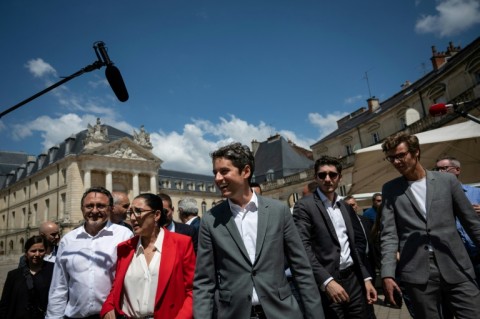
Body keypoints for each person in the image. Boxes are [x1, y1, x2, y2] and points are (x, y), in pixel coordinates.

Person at [194, 142, 324, 319]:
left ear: (245, 171)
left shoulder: (279, 211)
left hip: (281, 312)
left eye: (224, 171)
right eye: (215, 173)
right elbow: (204, 282)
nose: (217, 178)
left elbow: (301, 268)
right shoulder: (210, 220)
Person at [380, 132, 480, 318]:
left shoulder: (447, 181)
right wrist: (387, 273)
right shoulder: (390, 189)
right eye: (391, 158)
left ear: (416, 152)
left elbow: (472, 223)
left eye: (401, 155)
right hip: (417, 273)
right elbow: (389, 235)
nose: (396, 162)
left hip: (456, 264)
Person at [293, 156, 377, 318]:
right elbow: (302, 247)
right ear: (315, 177)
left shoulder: (345, 206)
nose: (327, 179)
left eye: (332, 175)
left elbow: (353, 245)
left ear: (340, 177)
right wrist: (326, 281)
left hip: (354, 278)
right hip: (328, 281)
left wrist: (366, 277)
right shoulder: (304, 206)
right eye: (322, 175)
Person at [101, 193, 195, 319]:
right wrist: (108, 307)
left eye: (138, 211)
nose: (133, 218)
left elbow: (192, 291)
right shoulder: (125, 248)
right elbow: (116, 287)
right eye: (131, 213)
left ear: (156, 215)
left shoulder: (182, 244)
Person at [46, 186, 133, 319]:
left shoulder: (124, 235)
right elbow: (59, 286)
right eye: (89, 206)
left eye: (101, 206)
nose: (94, 210)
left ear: (110, 209)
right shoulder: (68, 240)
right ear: (82, 208)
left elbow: (131, 280)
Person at [435, 155, 480, 286]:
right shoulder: (435, 199)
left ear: (457, 170)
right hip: (456, 257)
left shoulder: (475, 193)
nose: (439, 172)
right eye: (437, 169)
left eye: (444, 168)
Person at [0, 235, 54, 319]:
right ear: (26, 252)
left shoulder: (54, 270)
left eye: (41, 250)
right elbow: (4, 304)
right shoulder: (14, 275)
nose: (37, 254)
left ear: (46, 251)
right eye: (33, 251)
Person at [343, 195, 377, 319]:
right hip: (357, 264)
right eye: (349, 206)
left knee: (371, 295)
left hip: (370, 262)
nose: (352, 207)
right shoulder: (345, 224)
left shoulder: (365, 220)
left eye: (353, 205)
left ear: (357, 206)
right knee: (363, 297)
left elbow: (372, 240)